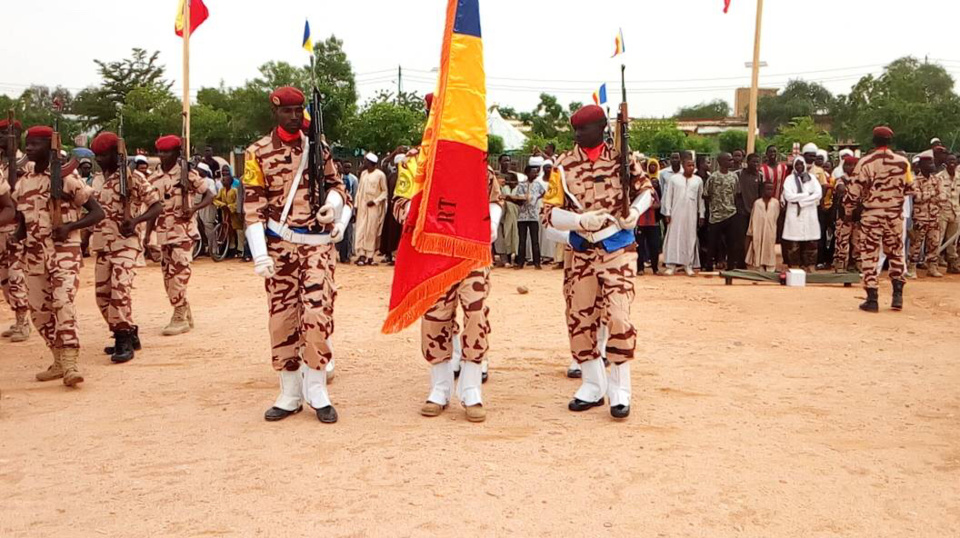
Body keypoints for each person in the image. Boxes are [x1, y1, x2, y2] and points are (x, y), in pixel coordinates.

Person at [242, 86, 351, 424]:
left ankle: (317, 389)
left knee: (317, 315)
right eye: (287, 110)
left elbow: (339, 188)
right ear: (275, 112)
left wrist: (332, 209)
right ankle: (290, 393)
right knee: (283, 320)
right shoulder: (257, 153)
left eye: (298, 110)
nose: (293, 116)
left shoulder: (317, 148)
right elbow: (252, 204)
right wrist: (260, 253)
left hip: (316, 245)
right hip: (280, 246)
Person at [541, 104, 653, 419]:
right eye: (575, 129)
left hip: (617, 248)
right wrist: (579, 221)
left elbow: (646, 190)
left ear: (602, 128)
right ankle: (592, 384)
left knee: (618, 317)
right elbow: (548, 212)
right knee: (580, 320)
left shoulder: (622, 159)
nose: (578, 134)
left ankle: (620, 390)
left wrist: (634, 213)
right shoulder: (562, 166)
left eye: (584, 129)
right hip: (580, 253)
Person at [14, 126, 104, 386]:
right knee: (39, 312)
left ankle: (71, 362)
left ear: (50, 147)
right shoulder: (25, 181)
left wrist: (69, 227)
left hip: (64, 254)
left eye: (35, 144)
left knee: (63, 304)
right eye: (27, 144)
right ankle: (57, 358)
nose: (29, 149)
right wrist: (15, 236)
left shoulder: (67, 178)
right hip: (34, 256)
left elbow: (97, 213)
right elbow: (22, 219)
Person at [89, 132, 162, 363]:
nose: (99, 159)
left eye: (104, 155)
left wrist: (137, 221)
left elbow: (156, 206)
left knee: (120, 291)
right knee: (102, 296)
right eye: (96, 156)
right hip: (102, 243)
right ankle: (129, 331)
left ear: (116, 154)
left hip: (126, 243)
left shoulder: (134, 179)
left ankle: (122, 339)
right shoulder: (97, 180)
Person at [147, 135, 214, 336]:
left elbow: (210, 195)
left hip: (183, 233)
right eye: (160, 152)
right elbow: (153, 208)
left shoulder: (187, 174)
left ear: (176, 153)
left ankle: (179, 316)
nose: (162, 155)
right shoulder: (154, 178)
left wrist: (193, 209)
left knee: (180, 274)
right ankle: (183, 307)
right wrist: (147, 236)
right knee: (168, 278)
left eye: (166, 152)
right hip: (163, 234)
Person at [843, 126, 912, 312]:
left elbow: (853, 192)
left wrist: (848, 211)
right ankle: (897, 295)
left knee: (870, 254)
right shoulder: (903, 163)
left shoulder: (865, 162)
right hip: (894, 216)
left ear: (874, 141)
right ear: (890, 141)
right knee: (896, 253)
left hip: (872, 215)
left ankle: (872, 298)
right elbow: (910, 188)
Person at [0, 117, 30, 342]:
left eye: (6, 134)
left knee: (16, 274)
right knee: (4, 278)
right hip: (3, 225)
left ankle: (24, 322)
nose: (1, 139)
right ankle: (19, 318)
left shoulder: (27, 162)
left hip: (20, 227)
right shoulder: (2, 164)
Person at [662, 156, 705, 276]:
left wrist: (701, 214)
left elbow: (700, 199)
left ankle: (688, 265)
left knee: (689, 237)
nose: (691, 168)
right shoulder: (674, 179)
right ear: (683, 165)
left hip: (691, 214)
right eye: (688, 165)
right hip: (675, 213)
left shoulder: (698, 180)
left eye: (693, 165)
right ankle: (671, 265)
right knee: (674, 237)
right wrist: (668, 213)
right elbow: (668, 196)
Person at [907, 152, 944, 278]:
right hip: (920, 218)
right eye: (929, 163)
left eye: (932, 163)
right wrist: (932, 195)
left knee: (934, 243)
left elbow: (942, 197)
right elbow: (917, 197)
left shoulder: (936, 179)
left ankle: (932, 267)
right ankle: (911, 267)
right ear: (921, 165)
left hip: (934, 217)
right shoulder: (915, 180)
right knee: (916, 244)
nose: (932, 165)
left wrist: (928, 196)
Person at [781, 156, 822, 272]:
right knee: (793, 242)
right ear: (794, 166)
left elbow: (818, 194)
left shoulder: (812, 179)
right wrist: (806, 195)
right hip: (794, 213)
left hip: (810, 212)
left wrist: (801, 201)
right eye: (797, 164)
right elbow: (788, 196)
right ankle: (794, 266)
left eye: (801, 164)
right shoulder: (789, 179)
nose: (799, 167)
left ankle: (810, 265)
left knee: (811, 241)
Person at [704, 152, 742, 271]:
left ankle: (730, 266)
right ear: (721, 162)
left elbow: (737, 193)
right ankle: (709, 266)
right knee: (712, 243)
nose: (732, 162)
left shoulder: (734, 177)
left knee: (731, 242)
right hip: (716, 215)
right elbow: (706, 194)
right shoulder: (713, 177)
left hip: (730, 213)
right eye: (729, 160)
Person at [354, 152, 387, 266]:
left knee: (370, 231)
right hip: (362, 206)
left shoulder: (380, 175)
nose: (364, 163)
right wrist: (356, 206)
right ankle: (361, 255)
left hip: (373, 207)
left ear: (370, 163)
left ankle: (369, 256)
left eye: (365, 161)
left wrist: (375, 201)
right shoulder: (363, 174)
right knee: (361, 230)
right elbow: (359, 191)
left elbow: (384, 192)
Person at [515, 161, 546, 269]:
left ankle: (537, 263)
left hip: (533, 216)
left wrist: (537, 198)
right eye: (533, 173)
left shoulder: (537, 185)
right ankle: (520, 263)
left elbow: (544, 192)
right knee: (522, 241)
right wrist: (522, 199)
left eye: (536, 173)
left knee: (535, 240)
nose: (535, 175)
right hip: (522, 216)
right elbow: (518, 198)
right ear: (527, 173)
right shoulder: (522, 185)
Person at [832, 155, 860, 272]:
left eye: (853, 165)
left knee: (858, 242)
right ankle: (840, 265)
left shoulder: (861, 181)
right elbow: (840, 190)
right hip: (844, 216)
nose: (850, 167)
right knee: (842, 241)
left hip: (858, 216)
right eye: (847, 165)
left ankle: (857, 265)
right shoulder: (841, 179)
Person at [635, 158, 662, 275]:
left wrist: (648, 205)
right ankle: (640, 268)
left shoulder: (653, 191)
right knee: (639, 247)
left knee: (654, 246)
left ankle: (655, 268)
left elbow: (658, 204)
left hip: (652, 222)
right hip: (640, 223)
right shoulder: (636, 192)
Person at [745, 181, 780, 271]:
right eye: (767, 189)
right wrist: (751, 232)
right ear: (763, 190)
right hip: (758, 230)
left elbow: (776, 217)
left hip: (770, 230)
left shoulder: (775, 203)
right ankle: (758, 265)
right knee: (757, 246)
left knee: (769, 247)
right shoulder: (757, 203)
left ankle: (770, 267)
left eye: (771, 189)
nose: (769, 191)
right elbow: (753, 219)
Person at [379, 151, 405, 265]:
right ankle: (389, 255)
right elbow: (384, 164)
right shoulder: (391, 176)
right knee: (390, 233)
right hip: (390, 209)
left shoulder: (407, 177)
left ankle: (398, 256)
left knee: (399, 233)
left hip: (402, 210)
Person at [213, 169, 245, 258]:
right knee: (228, 231)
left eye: (225, 180)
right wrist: (222, 205)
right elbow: (215, 199)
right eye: (223, 180)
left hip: (233, 213)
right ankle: (231, 248)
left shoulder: (234, 190)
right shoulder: (222, 190)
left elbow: (238, 201)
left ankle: (240, 249)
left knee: (238, 231)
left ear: (230, 182)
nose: (223, 181)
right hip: (225, 213)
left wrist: (230, 207)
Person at [494, 156, 520, 266]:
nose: (507, 163)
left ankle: (508, 258)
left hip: (510, 209)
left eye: (509, 160)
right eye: (505, 161)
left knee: (509, 232)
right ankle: (500, 258)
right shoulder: (495, 175)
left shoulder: (514, 176)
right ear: (500, 162)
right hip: (498, 208)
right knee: (498, 233)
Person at [937, 153, 960, 273]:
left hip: (956, 212)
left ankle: (953, 264)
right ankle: (933, 263)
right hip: (942, 213)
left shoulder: (959, 177)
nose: (952, 163)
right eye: (950, 161)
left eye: (954, 161)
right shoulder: (939, 177)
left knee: (953, 241)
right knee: (938, 239)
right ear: (945, 163)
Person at [337, 160, 358, 263]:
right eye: (345, 167)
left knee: (348, 234)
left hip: (348, 209)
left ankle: (347, 255)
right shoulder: (336, 180)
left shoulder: (354, 180)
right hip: (338, 210)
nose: (346, 169)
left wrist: (353, 212)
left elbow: (355, 196)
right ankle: (340, 255)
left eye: (349, 167)